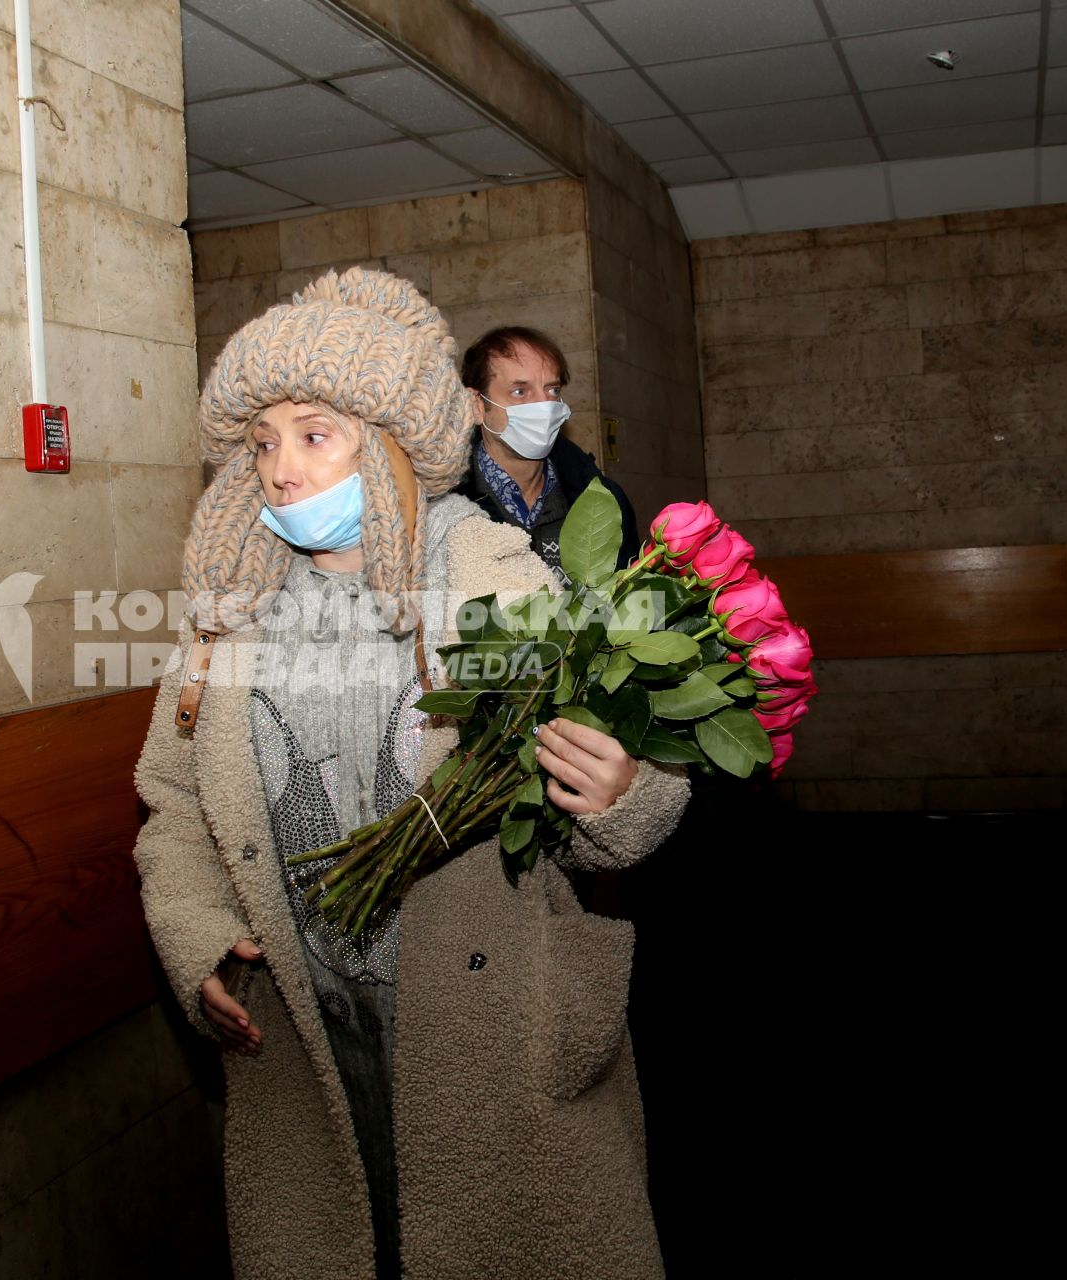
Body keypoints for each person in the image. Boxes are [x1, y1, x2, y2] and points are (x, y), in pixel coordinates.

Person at [133, 269, 687, 1280]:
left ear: (388, 440)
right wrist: (198, 931)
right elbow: (171, 801)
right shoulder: (228, 605)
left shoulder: (491, 570)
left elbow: (615, 783)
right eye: (262, 442)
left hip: (494, 1029)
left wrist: (619, 790)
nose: (279, 469)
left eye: (314, 434)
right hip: (309, 1033)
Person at [456, 325, 640, 575]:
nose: (543, 406)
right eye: (520, 392)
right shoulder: (447, 508)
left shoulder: (602, 500)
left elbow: (629, 603)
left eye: (552, 390)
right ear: (477, 405)